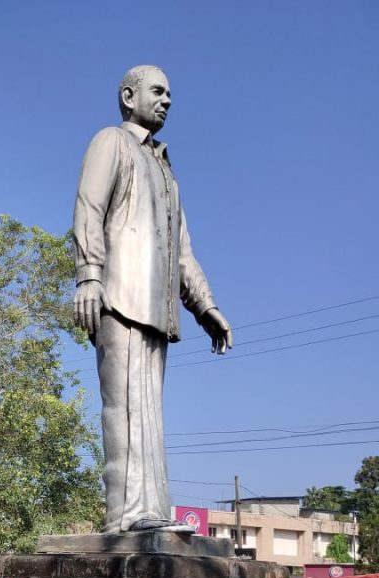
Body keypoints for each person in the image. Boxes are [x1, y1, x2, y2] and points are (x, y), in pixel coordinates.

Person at [73, 66, 233, 534]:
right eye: (157, 92)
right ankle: (126, 515)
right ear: (128, 96)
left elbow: (182, 252)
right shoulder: (112, 142)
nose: (167, 101)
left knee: (149, 416)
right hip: (118, 296)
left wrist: (206, 306)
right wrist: (88, 275)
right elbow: (89, 207)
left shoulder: (166, 170)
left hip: (154, 308)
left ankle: (151, 513)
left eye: (170, 95)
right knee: (123, 407)